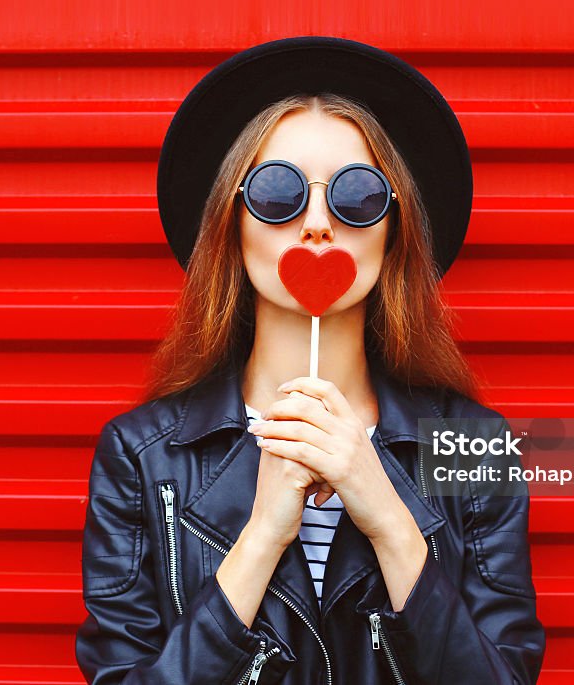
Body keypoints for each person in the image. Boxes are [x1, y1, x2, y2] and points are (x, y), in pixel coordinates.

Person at [75, 36, 545, 685]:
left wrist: (388, 517)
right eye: (278, 192)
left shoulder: (474, 447)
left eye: (356, 195)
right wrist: (263, 533)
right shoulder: (142, 458)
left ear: (395, 228)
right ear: (232, 225)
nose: (319, 223)